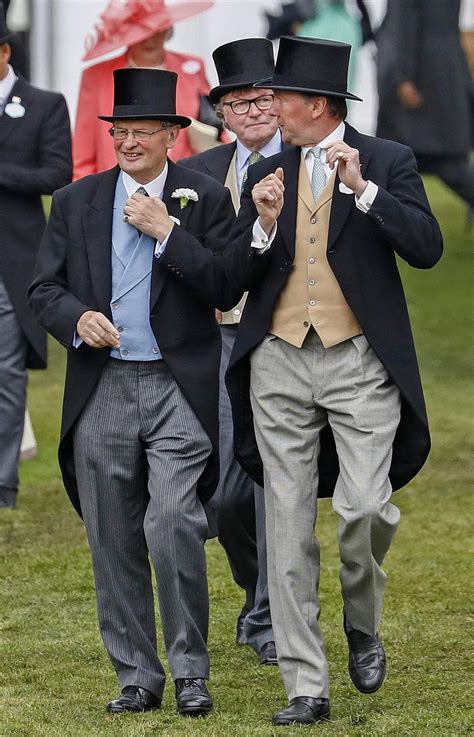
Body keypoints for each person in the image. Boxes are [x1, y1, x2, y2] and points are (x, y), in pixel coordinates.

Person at [154, 36, 443, 726]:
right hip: (278, 359)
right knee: (285, 528)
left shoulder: (387, 161)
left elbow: (427, 248)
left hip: (358, 361)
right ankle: (304, 684)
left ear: (315, 104)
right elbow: (228, 278)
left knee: (364, 511)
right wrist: (261, 225)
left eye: (278, 96)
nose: (267, 106)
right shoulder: (268, 173)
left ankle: (363, 624)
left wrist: (363, 191)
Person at [29, 67, 236, 717]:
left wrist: (166, 232)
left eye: (141, 131)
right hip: (104, 385)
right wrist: (75, 319)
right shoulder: (77, 200)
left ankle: (192, 670)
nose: (127, 141)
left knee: (173, 521)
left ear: (173, 135)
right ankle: (138, 674)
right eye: (119, 131)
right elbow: (43, 290)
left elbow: (224, 286)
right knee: (111, 534)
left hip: (177, 384)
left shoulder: (204, 197)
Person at [180, 37, 281, 666]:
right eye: (236, 102)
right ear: (220, 112)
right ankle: (254, 589)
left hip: (283, 336)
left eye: (263, 97)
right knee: (222, 492)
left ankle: (271, 615)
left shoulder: (309, 163)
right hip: (217, 337)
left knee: (275, 481)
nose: (251, 110)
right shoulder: (195, 176)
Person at [0, 2, 71, 509]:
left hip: (12, 260)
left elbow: (56, 175)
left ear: (5, 52)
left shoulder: (44, 103)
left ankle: (3, 481)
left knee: (6, 373)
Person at [73, 0, 215, 180]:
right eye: (143, 29)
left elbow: (214, 127)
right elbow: (83, 155)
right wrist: (86, 202)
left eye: (158, 26)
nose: (151, 35)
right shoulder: (96, 76)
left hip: (184, 185)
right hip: (116, 187)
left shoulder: (192, 68)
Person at [376, 0, 474, 207]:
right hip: (445, 75)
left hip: (420, 82)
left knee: (390, 162)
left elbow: (402, 27)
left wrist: (401, 76)